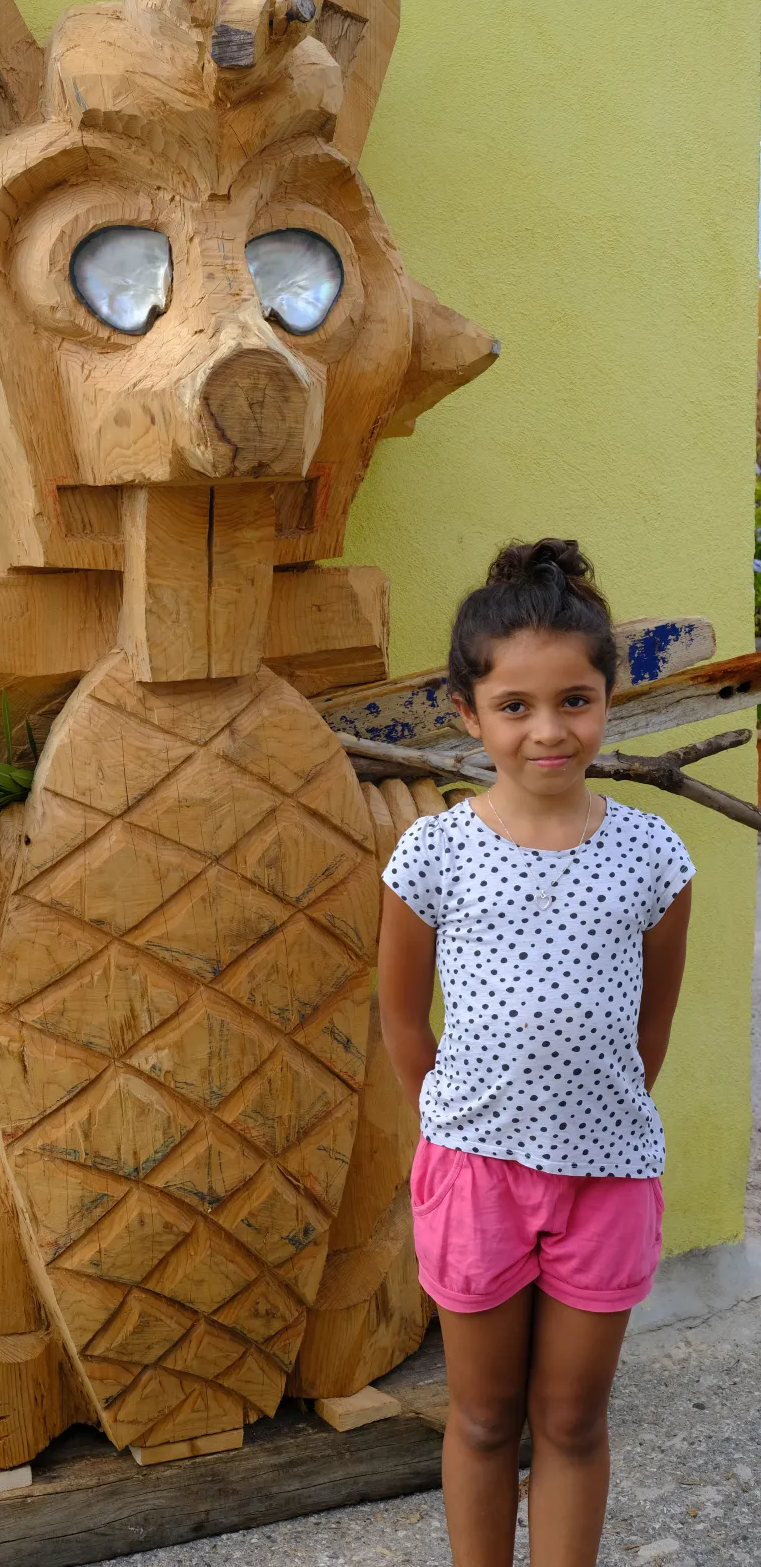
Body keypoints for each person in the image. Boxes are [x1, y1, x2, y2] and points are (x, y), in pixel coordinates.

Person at [378, 539, 694, 1567]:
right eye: (515, 706)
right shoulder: (435, 851)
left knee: (570, 1421)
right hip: (474, 1177)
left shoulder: (654, 855)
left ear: (609, 701)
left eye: (576, 700)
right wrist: (461, 1123)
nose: (548, 730)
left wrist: (591, 1118)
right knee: (480, 1419)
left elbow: (652, 1021)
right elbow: (401, 1017)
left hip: (606, 1179)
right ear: (468, 716)